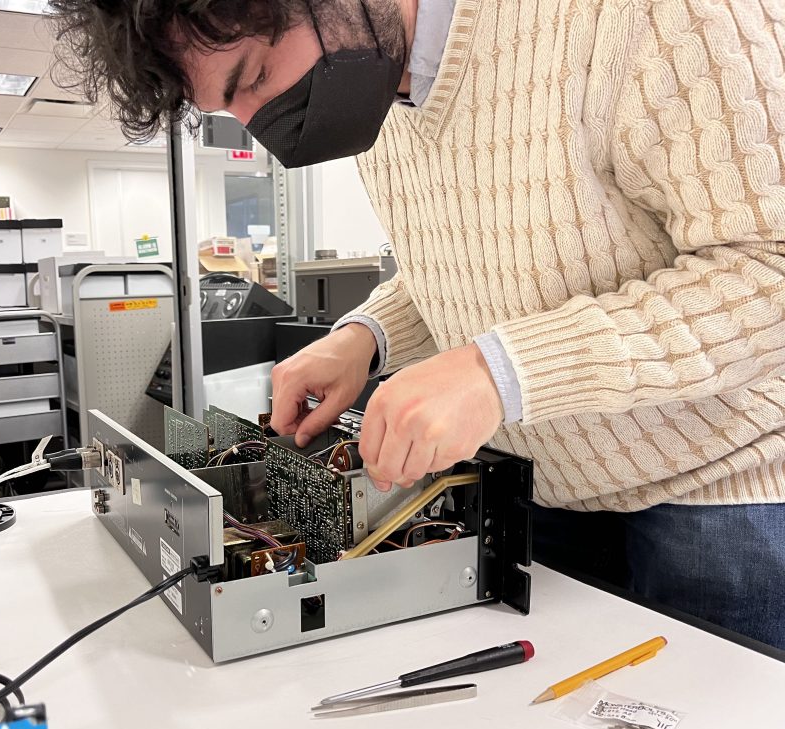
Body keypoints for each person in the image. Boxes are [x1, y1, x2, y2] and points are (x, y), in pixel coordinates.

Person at [50, 0, 785, 649]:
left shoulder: (641, 18)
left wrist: (504, 372)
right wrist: (365, 338)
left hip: (720, 501)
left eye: (256, 75)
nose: (258, 126)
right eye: (227, 108)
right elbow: (492, 261)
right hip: (545, 496)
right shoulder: (380, 96)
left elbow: (768, 266)